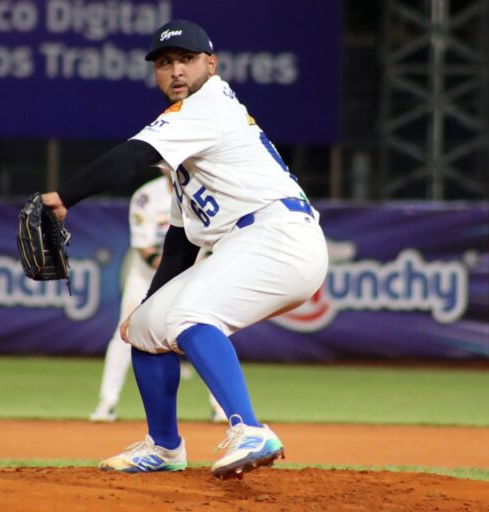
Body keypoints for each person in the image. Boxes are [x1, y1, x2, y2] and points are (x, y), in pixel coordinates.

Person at [42, 19, 328, 479]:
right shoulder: (188, 149)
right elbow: (180, 239)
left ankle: (248, 428)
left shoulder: (206, 105)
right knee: (147, 326)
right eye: (164, 63)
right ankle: (164, 446)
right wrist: (148, 304)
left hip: (279, 236)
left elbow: (133, 155)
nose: (175, 71)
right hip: (254, 241)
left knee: (190, 315)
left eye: (186, 60)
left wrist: (65, 197)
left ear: (210, 65)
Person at [89, 171, 226, 424]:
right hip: (146, 276)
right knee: (125, 334)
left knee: (208, 332)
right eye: (165, 163)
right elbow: (144, 249)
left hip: (195, 274)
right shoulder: (146, 196)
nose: (170, 167)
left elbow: (215, 243)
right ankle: (106, 404)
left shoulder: (208, 192)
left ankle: (222, 408)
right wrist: (174, 270)